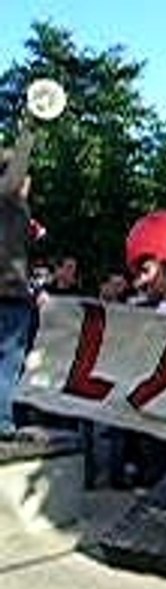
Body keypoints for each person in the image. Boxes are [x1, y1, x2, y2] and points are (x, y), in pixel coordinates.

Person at [0, 128, 36, 440]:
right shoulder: (8, 200)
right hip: (8, 295)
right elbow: (12, 182)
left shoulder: (15, 211)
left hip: (12, 291)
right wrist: (29, 131)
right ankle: (2, 422)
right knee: (9, 360)